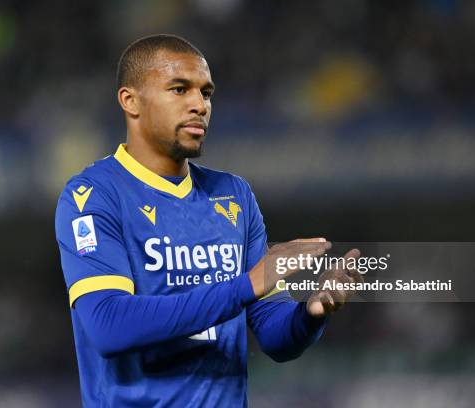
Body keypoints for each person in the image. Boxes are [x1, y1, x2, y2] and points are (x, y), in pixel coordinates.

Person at [55, 34, 362, 407]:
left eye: (206, 93)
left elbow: (273, 332)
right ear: (130, 101)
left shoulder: (233, 195)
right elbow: (108, 325)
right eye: (180, 89)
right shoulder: (93, 195)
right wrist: (246, 285)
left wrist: (310, 313)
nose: (199, 105)